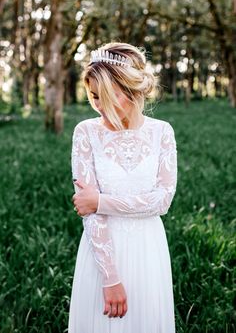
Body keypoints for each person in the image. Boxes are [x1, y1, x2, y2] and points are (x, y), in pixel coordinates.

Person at [68, 42, 178, 333]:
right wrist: (110, 278)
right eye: (93, 97)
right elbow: (89, 213)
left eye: (106, 96)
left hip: (148, 248)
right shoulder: (86, 133)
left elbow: (162, 200)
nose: (99, 106)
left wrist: (100, 201)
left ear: (132, 91)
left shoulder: (161, 132)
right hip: (102, 254)